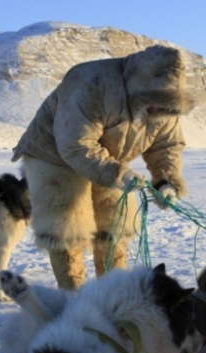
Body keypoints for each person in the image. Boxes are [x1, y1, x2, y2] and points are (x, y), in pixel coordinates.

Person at [12, 45, 194, 289]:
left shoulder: (164, 106)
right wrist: (116, 173)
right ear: (137, 87)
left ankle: (111, 296)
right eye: (151, 101)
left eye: (163, 104)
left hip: (109, 158)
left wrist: (166, 181)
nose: (155, 110)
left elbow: (166, 146)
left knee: (114, 227)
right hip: (53, 155)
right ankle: (74, 300)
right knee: (68, 229)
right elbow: (75, 144)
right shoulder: (91, 84)